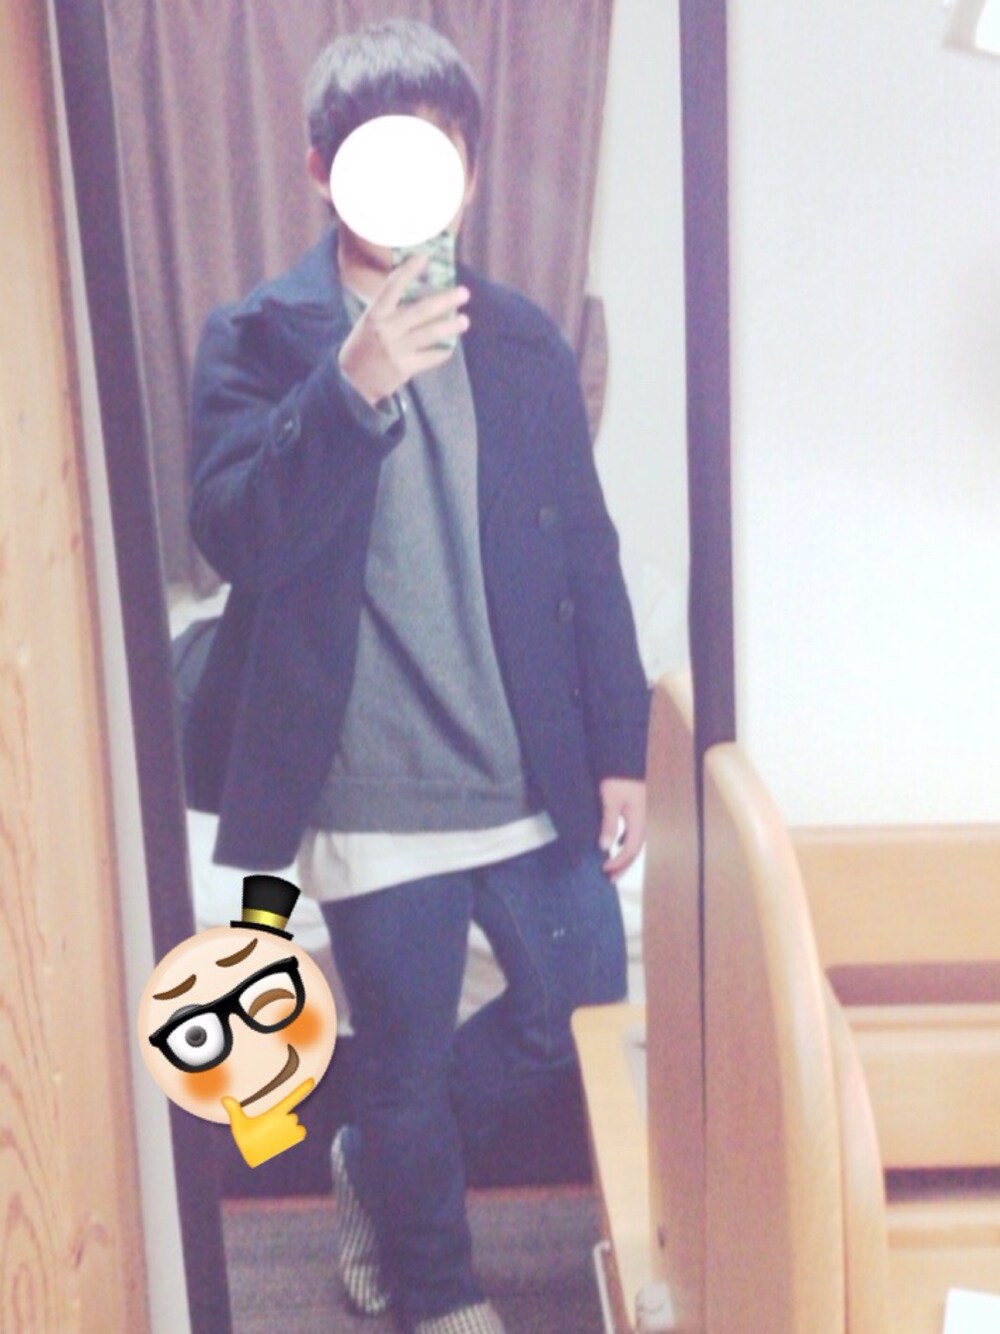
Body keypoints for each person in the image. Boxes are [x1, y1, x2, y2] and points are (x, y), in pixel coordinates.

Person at [186, 18, 650, 1334]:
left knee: (576, 1002)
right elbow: (232, 535)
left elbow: (587, 554)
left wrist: (621, 747)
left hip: (529, 763)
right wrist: (346, 387)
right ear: (320, 172)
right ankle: (440, 1290)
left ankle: (375, 1171)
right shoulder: (261, 337)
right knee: (396, 1064)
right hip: (368, 776)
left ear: (469, 173)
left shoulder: (524, 343)